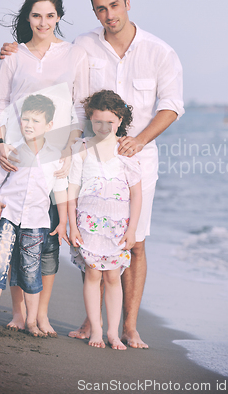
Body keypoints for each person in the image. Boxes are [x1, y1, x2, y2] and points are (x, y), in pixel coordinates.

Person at [0, 0, 184, 348]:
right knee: (89, 242)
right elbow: (47, 52)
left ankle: (129, 326)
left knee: (134, 242)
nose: (108, 14)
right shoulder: (82, 45)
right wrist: (14, 49)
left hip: (135, 161)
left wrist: (139, 139)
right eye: (100, 8)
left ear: (127, 2)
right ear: (93, 10)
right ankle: (91, 322)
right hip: (86, 162)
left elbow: (171, 106)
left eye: (114, 5)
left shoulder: (159, 52)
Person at [0, 0, 89, 336]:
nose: (43, 22)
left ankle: (41, 315)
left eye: (49, 15)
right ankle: (19, 313)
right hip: (18, 154)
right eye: (36, 15)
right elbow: (0, 102)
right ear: (27, 17)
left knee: (46, 238)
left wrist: (69, 149)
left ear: (58, 17)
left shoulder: (75, 54)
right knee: (16, 234)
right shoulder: (14, 55)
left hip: (57, 159)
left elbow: (80, 106)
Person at [0, 95, 68, 335]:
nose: (28, 125)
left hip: (36, 223)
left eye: (36, 121)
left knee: (30, 270)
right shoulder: (11, 150)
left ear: (49, 126)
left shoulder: (55, 157)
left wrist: (64, 223)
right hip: (7, 216)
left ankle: (31, 321)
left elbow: (60, 193)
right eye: (25, 119)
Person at [68, 90, 142, 349]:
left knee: (113, 277)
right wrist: (72, 225)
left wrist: (132, 230)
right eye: (97, 121)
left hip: (118, 226)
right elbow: (72, 190)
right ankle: (96, 331)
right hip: (87, 224)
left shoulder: (126, 152)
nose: (103, 126)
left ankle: (113, 332)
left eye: (109, 122)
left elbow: (136, 194)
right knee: (92, 274)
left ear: (119, 120)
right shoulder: (82, 148)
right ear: (90, 119)